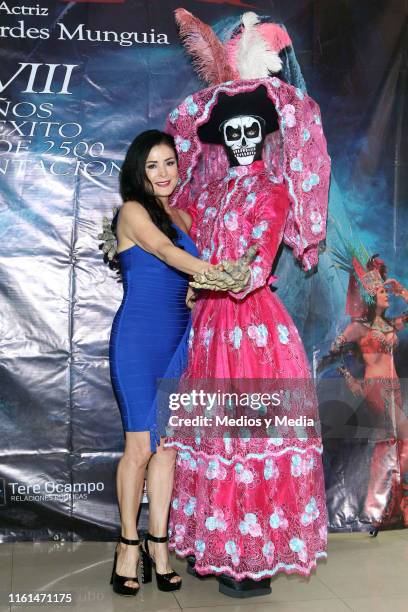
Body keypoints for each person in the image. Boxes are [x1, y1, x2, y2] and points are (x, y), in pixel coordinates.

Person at [163, 10, 330, 598]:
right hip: (209, 326)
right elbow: (185, 233)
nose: (239, 140)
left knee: (250, 434)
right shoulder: (206, 189)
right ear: (222, 138)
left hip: (252, 324)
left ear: (261, 135)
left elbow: (256, 262)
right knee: (212, 434)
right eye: (230, 133)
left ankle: (253, 554)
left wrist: (222, 276)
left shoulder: (273, 188)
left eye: (248, 132)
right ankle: (214, 545)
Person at [101, 130, 242, 596]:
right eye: (153, 166)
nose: (164, 174)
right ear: (139, 172)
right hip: (139, 340)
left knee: (168, 449)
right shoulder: (133, 211)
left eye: (169, 164)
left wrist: (208, 282)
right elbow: (164, 253)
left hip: (179, 340)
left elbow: (184, 272)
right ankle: (127, 544)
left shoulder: (183, 215)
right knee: (139, 447)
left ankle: (158, 545)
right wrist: (216, 272)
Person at [324, 252, 408, 530]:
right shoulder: (360, 327)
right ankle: (380, 501)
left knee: (389, 444)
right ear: (371, 297)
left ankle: (381, 503)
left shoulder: (389, 324)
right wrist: (337, 357)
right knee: (401, 439)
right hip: (376, 389)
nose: (387, 295)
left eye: (387, 291)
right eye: (382, 291)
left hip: (393, 388)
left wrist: (403, 292)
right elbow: (335, 345)